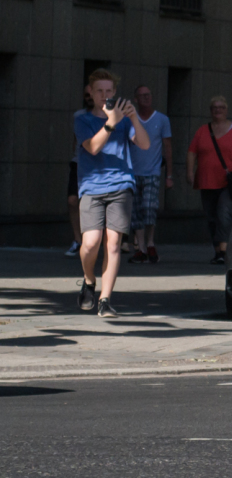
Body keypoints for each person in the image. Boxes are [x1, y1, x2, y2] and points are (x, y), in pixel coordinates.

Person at [76, 68, 151, 318]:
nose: (104, 95)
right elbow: (93, 148)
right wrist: (111, 122)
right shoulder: (82, 119)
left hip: (121, 185)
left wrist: (134, 118)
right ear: (91, 92)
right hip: (92, 186)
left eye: (109, 91)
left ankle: (105, 300)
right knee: (90, 244)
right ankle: (89, 281)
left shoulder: (124, 120)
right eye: (99, 91)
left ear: (115, 92)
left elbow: (145, 144)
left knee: (114, 243)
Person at [187, 96, 232, 264]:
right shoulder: (203, 130)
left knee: (224, 213)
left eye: (221, 107)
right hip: (207, 181)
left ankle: (224, 250)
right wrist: (189, 171)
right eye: (214, 108)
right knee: (211, 217)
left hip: (231, 183)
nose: (218, 110)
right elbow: (192, 152)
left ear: (226, 110)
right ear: (211, 111)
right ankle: (218, 250)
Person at [126, 85, 173, 264]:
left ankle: (150, 241)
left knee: (149, 207)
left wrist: (169, 175)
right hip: (132, 172)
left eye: (148, 95)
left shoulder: (161, 119)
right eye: (142, 96)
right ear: (136, 99)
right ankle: (142, 248)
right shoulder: (130, 119)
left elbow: (167, 147)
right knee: (135, 211)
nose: (146, 98)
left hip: (152, 171)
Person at [65, 85, 93, 257]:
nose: (89, 97)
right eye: (86, 95)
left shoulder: (108, 117)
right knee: (72, 200)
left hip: (97, 166)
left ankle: (93, 241)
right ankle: (78, 240)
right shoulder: (79, 116)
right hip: (79, 163)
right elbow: (75, 140)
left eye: (92, 94)